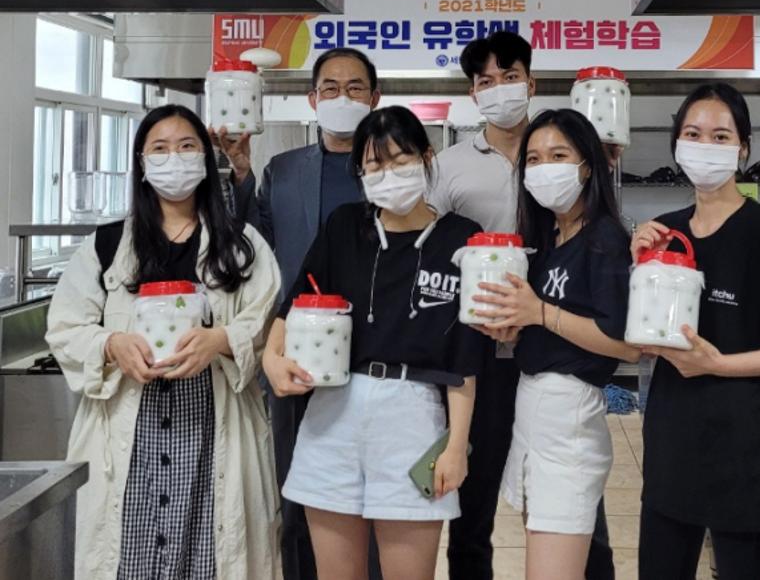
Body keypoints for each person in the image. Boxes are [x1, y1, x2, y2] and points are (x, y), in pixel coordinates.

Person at [46, 104, 283, 580]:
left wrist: (221, 339)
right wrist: (112, 344)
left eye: (187, 146)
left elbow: (266, 323)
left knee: (213, 558)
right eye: (160, 148)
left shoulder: (242, 244)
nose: (174, 158)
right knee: (127, 558)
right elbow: (66, 326)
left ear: (205, 159)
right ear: (141, 163)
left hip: (211, 422)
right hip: (131, 426)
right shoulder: (107, 245)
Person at [262, 105, 489, 580]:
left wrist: (456, 446)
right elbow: (297, 301)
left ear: (427, 158)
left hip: (414, 418)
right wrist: (271, 356)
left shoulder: (462, 239)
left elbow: (465, 357)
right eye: (375, 165)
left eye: (401, 160)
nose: (389, 174)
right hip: (333, 415)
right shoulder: (345, 226)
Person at [630, 83, 760, 580]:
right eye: (692, 134)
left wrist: (718, 365)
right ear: (676, 144)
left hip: (746, 452)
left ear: (742, 148)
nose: (704, 146)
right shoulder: (665, 232)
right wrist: (638, 265)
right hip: (673, 442)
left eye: (720, 136)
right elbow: (642, 341)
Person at [429, 32, 616, 580]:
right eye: (486, 81)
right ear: (473, 92)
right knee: (473, 507)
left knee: (574, 508)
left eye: (509, 77)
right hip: (481, 360)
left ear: (530, 83)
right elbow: (434, 256)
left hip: (555, 353)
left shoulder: (559, 152)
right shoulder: (449, 166)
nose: (499, 89)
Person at [212, 47, 382, 580]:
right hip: (297, 355)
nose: (342, 97)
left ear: (374, 98)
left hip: (375, 355)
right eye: (330, 88)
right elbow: (252, 243)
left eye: (355, 88)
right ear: (312, 99)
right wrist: (241, 173)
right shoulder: (283, 171)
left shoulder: (391, 169)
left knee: (373, 503)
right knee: (297, 497)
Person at [473, 108, 640, 580]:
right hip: (532, 407)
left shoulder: (604, 239)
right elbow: (545, 322)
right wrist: (515, 327)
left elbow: (627, 345)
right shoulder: (547, 238)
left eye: (558, 155)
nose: (544, 168)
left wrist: (540, 313)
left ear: (587, 165)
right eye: (534, 159)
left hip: (570, 416)